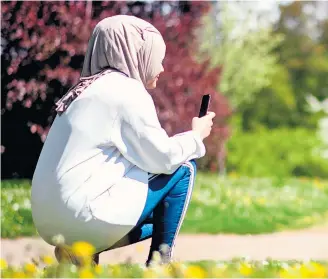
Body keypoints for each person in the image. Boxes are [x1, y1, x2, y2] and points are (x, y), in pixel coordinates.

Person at [30, 15, 216, 266]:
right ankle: (159, 265)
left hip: (47, 222)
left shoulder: (81, 91)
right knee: (183, 170)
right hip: (82, 217)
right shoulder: (126, 90)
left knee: (135, 185)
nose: (161, 68)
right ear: (138, 52)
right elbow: (163, 158)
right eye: (157, 58)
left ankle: (80, 259)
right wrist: (195, 136)